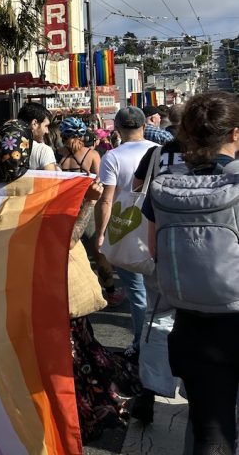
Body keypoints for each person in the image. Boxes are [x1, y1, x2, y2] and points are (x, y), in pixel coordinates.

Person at [0, 121, 139, 442]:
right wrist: (89, 202)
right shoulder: (38, 193)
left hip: (11, 296)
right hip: (49, 293)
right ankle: (71, 416)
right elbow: (66, 241)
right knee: (66, 359)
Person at [144, 92, 239, 453]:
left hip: (193, 324)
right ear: (234, 134)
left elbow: (154, 251)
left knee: (209, 432)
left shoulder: (167, 188)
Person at [94, 107, 157, 359]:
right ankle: (157, 345)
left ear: (117, 129)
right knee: (159, 294)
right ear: (144, 126)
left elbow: (106, 201)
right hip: (157, 226)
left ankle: (142, 343)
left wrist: (100, 233)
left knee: (137, 292)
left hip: (124, 229)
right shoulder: (158, 151)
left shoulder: (113, 157)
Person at [58, 117, 120, 306]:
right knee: (99, 255)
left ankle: (69, 295)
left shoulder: (57, 155)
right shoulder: (92, 155)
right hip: (88, 208)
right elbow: (99, 183)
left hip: (64, 211)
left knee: (66, 256)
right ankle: (111, 292)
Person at [15, 102, 58, 170]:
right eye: (46, 126)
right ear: (34, 123)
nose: (47, 131)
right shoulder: (44, 150)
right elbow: (51, 179)